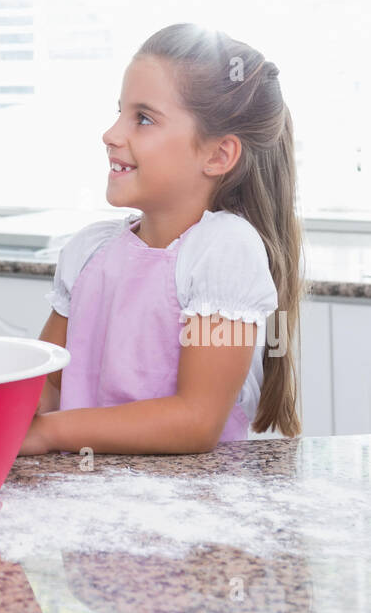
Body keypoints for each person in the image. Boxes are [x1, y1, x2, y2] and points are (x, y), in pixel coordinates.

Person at [19, 22, 303, 455]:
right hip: (92, 498)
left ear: (218, 155)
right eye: (119, 112)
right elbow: (46, 386)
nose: (111, 134)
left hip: (187, 506)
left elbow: (196, 420)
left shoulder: (222, 252)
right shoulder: (89, 251)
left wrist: (49, 433)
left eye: (143, 119)